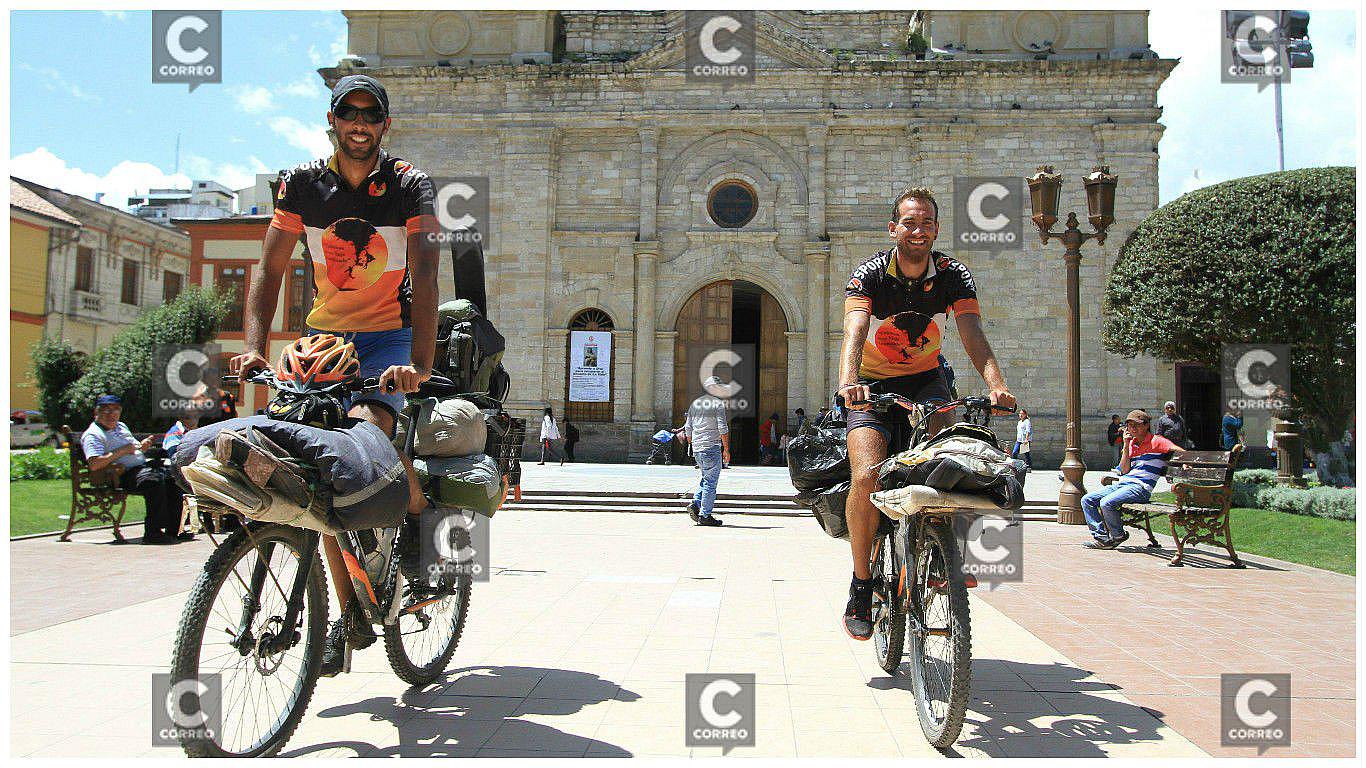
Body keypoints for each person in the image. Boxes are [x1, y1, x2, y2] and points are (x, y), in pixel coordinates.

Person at [230, 74, 439, 677]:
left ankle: (421, 537)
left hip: (390, 338)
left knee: (366, 435)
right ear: (332, 118)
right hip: (323, 338)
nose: (360, 122)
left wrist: (419, 365)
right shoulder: (301, 186)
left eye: (371, 114)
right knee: (310, 467)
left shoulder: (409, 186)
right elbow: (268, 272)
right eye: (350, 111)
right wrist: (252, 349)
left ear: (384, 126)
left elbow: (425, 273)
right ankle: (343, 615)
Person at [836, 186, 1016, 640]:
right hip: (873, 386)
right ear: (893, 228)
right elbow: (855, 330)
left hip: (928, 380)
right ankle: (861, 583)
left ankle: (949, 554)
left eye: (928, 223)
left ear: (936, 229)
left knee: (963, 460)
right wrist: (848, 383)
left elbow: (972, 333)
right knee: (865, 477)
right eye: (910, 223)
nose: (919, 231)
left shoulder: (955, 276)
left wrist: (997, 386)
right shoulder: (869, 275)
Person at [80, 395, 186, 544]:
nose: (111, 414)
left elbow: (134, 448)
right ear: (96, 412)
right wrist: (122, 451)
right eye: (107, 410)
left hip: (140, 468)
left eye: (115, 410)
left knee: (173, 477)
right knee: (154, 481)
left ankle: (175, 530)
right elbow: (95, 463)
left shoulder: (120, 426)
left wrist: (142, 447)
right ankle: (152, 533)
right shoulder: (93, 435)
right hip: (120, 474)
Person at [1081, 409, 1178, 549]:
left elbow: (1181, 453)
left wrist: (1185, 463)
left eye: (1136, 425)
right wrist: (1126, 445)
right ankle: (1102, 538)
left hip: (1140, 488)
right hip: (1124, 485)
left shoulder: (1157, 441)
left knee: (1106, 502)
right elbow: (1124, 470)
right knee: (1087, 500)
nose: (1133, 429)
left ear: (1146, 425)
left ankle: (1118, 535)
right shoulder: (1132, 444)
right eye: (1130, 426)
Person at [680, 376, 730, 527]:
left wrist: (693, 443)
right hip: (711, 447)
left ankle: (696, 504)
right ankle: (705, 515)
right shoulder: (717, 403)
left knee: (706, 477)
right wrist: (726, 449)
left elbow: (688, 428)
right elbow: (722, 427)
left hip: (698, 448)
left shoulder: (695, 404)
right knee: (711, 482)